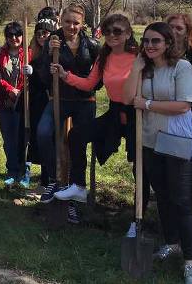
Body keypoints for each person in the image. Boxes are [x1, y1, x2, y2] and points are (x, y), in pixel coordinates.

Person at [122, 22, 192, 284]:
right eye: (146, 41)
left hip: (177, 141)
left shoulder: (182, 68)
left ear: (168, 43)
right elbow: (127, 98)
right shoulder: (143, 69)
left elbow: (184, 105)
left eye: (156, 41)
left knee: (182, 200)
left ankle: (190, 261)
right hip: (149, 141)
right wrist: (135, 68)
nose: (150, 46)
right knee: (164, 197)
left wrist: (146, 104)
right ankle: (172, 243)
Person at [51, 14, 139, 228]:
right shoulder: (104, 56)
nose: (111, 35)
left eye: (117, 31)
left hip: (138, 113)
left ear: (128, 33)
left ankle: (139, 219)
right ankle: (79, 186)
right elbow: (90, 83)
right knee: (77, 135)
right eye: (107, 31)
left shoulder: (139, 55)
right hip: (115, 112)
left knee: (141, 165)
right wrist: (65, 75)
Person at [34, 4, 99, 204]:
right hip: (59, 99)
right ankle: (54, 178)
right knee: (43, 133)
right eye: (67, 22)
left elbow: (101, 73)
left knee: (77, 141)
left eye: (76, 23)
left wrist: (90, 86)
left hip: (84, 100)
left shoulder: (92, 44)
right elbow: (43, 76)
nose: (71, 26)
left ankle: (77, 185)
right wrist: (48, 60)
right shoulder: (53, 42)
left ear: (82, 24)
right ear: (61, 21)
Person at [22, 16, 57, 191]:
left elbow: (46, 79)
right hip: (38, 104)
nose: (42, 36)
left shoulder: (55, 55)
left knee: (51, 141)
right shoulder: (35, 56)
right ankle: (43, 182)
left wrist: (35, 72)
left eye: (46, 33)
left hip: (53, 103)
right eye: (38, 34)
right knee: (39, 141)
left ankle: (50, 180)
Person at [0, 21, 30, 188]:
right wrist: (10, 89)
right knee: (8, 138)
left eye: (17, 35)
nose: (14, 38)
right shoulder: (1, 54)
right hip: (5, 101)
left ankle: (23, 171)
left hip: (22, 102)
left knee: (22, 138)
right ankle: (11, 170)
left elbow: (30, 78)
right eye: (10, 35)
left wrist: (20, 91)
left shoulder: (28, 54)